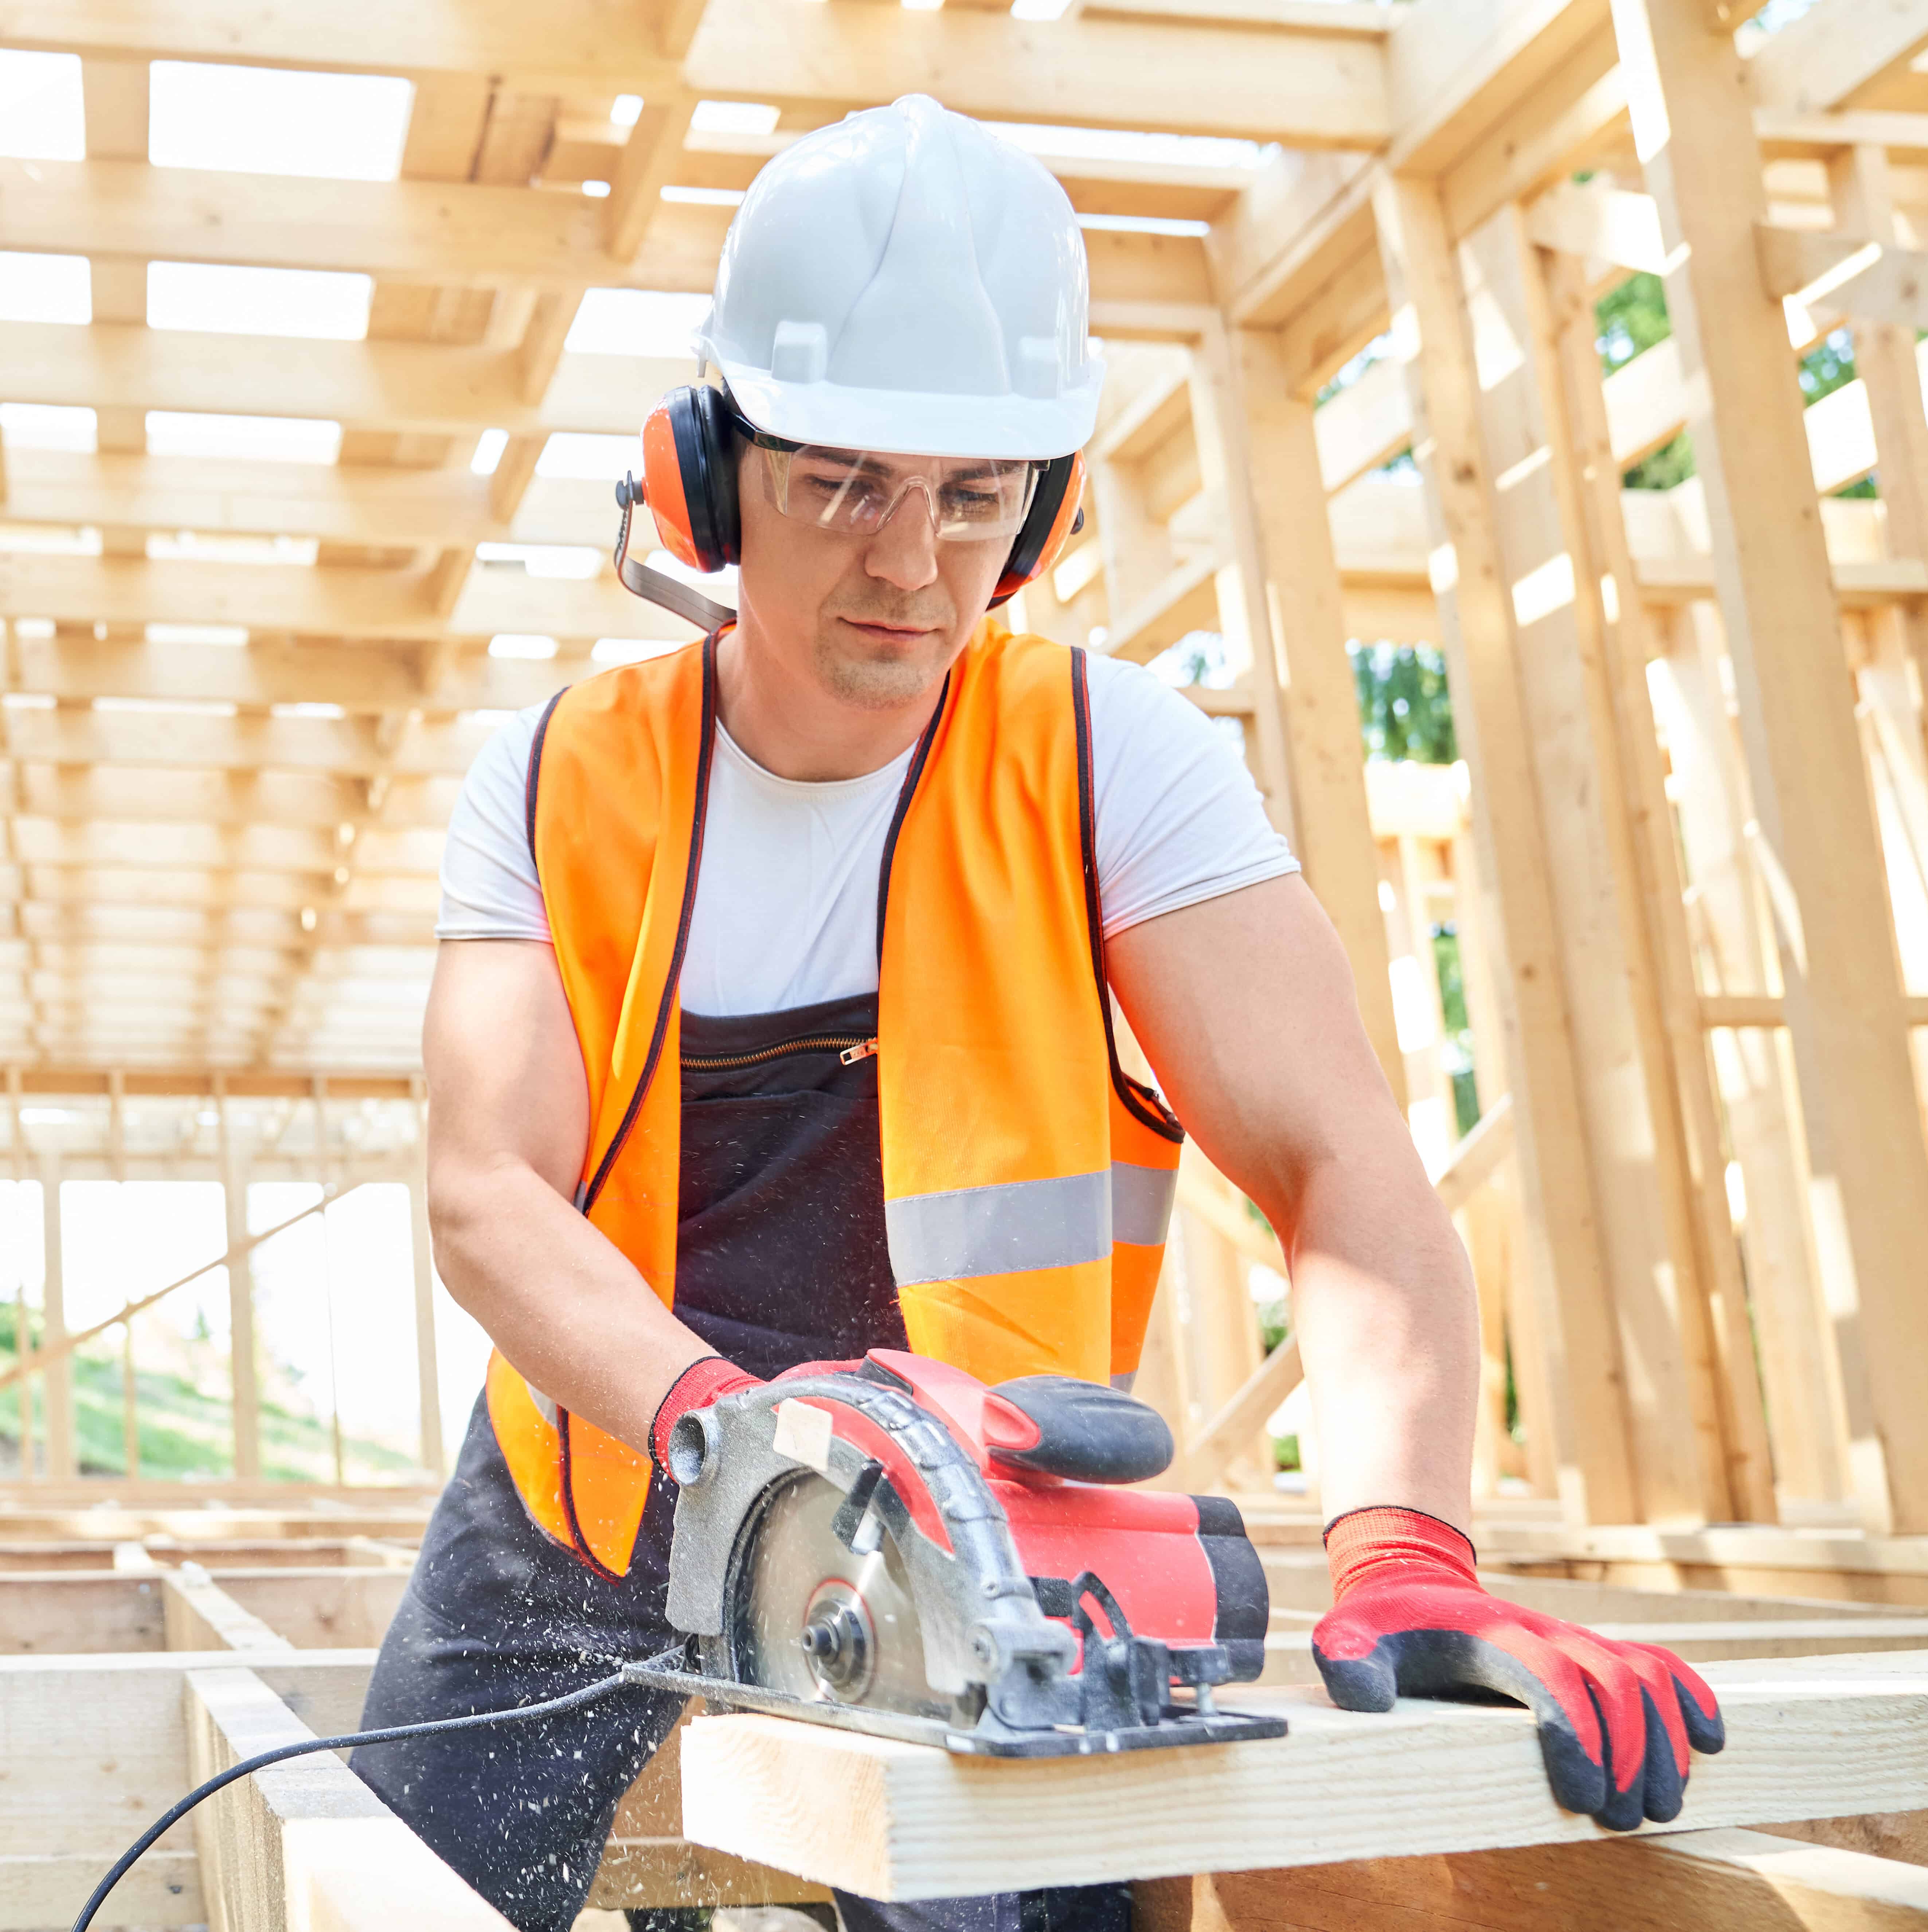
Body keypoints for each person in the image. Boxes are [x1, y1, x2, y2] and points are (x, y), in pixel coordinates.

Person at [354, 94, 1722, 1932]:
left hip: (980, 1549)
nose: (914, 563)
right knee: (387, 1890)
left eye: (975, 498)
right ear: (707, 474)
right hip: (587, 1518)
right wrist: (741, 1452)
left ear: (1044, 505)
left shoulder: (1109, 762)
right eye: (845, 484)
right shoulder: (556, 779)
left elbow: (1342, 1169)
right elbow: (485, 1192)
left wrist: (1403, 1540)